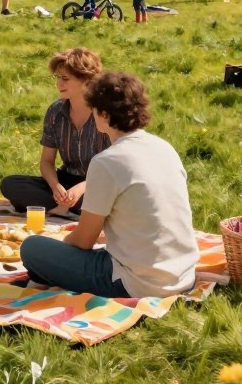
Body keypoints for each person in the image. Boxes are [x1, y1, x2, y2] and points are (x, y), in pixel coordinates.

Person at [19, 72, 199, 299]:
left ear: (103, 114)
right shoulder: (164, 148)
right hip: (182, 276)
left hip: (136, 283)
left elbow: (83, 241)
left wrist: (59, 247)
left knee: (33, 248)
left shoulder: (107, 161)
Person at [0, 47, 110, 216]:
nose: (59, 83)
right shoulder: (55, 111)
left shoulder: (105, 113)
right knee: (10, 184)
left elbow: (113, 169)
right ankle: (66, 207)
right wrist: (55, 186)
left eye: (65, 78)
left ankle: (63, 207)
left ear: (87, 80)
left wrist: (80, 189)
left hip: (96, 183)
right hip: (65, 179)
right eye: (58, 77)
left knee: (105, 197)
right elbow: (46, 162)